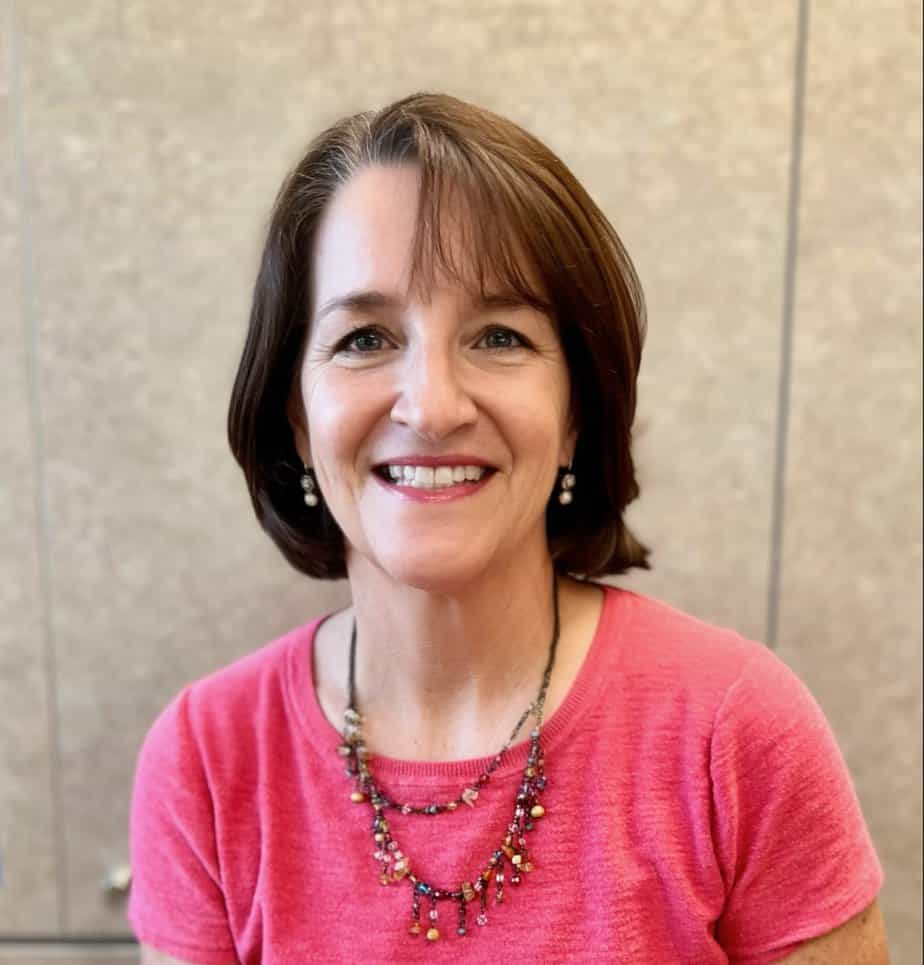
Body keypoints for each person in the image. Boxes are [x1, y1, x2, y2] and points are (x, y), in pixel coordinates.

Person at [127, 93, 889, 964]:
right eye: (365, 338)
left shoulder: (737, 731)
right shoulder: (205, 760)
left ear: (575, 412)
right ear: (295, 415)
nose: (433, 406)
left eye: (498, 335)